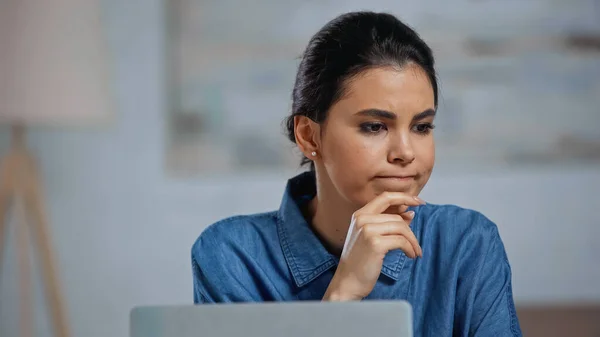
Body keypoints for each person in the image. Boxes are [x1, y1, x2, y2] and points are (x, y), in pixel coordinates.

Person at [191, 11, 522, 337]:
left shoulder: (466, 243)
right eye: (374, 126)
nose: (405, 152)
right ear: (309, 136)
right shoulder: (232, 255)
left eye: (421, 127)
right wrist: (343, 294)